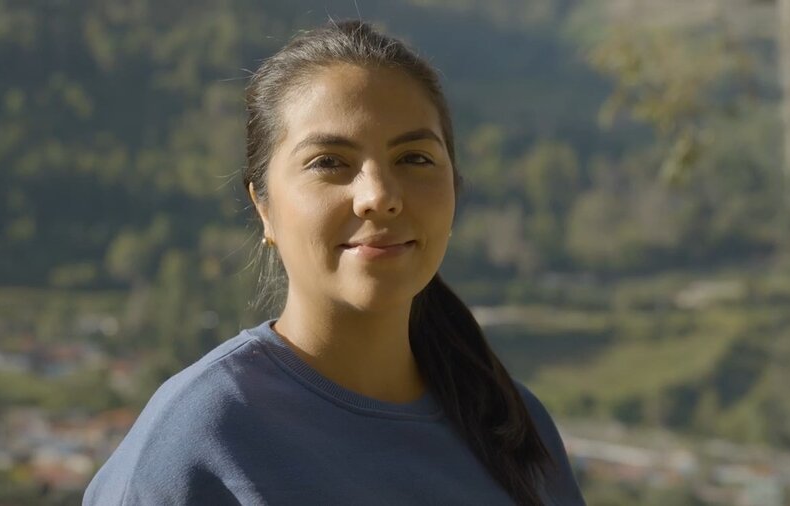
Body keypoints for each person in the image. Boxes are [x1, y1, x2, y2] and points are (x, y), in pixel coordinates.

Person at [83, 20, 585, 506]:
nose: (379, 197)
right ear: (264, 206)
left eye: (414, 158)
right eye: (329, 162)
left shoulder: (510, 422)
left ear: (454, 187)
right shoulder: (198, 443)